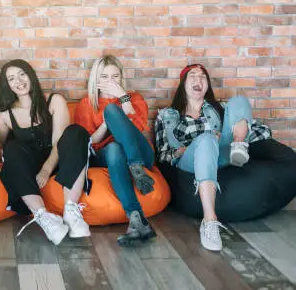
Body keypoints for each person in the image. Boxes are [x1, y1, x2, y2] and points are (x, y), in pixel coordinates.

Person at [154, 63, 272, 251]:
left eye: (202, 77)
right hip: (189, 162)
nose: (198, 79)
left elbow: (264, 132)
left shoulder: (220, 109)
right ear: (183, 84)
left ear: (207, 85)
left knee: (239, 101)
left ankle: (239, 146)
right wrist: (190, 147)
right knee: (207, 139)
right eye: (192, 75)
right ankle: (209, 221)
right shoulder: (167, 116)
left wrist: (237, 135)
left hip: (223, 154)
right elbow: (163, 155)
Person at [59, 55, 157, 246]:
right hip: (106, 155)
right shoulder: (87, 105)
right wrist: (106, 123)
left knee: (113, 111)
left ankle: (136, 168)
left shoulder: (134, 99)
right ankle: (137, 219)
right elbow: (90, 144)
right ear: (96, 80)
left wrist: (122, 97)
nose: (110, 82)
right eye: (104, 77)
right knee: (112, 147)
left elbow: (136, 128)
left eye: (115, 77)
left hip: (139, 153)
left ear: (122, 78)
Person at [0, 59, 88, 246]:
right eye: (11, 79)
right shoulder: (4, 115)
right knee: (11, 148)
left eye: (22, 74)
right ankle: (44, 217)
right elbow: (0, 147)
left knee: (76, 132)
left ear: (30, 75)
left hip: (59, 160)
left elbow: (60, 141)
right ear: (7, 85)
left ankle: (71, 212)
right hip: (30, 167)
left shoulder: (54, 101)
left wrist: (46, 169)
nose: (18, 81)